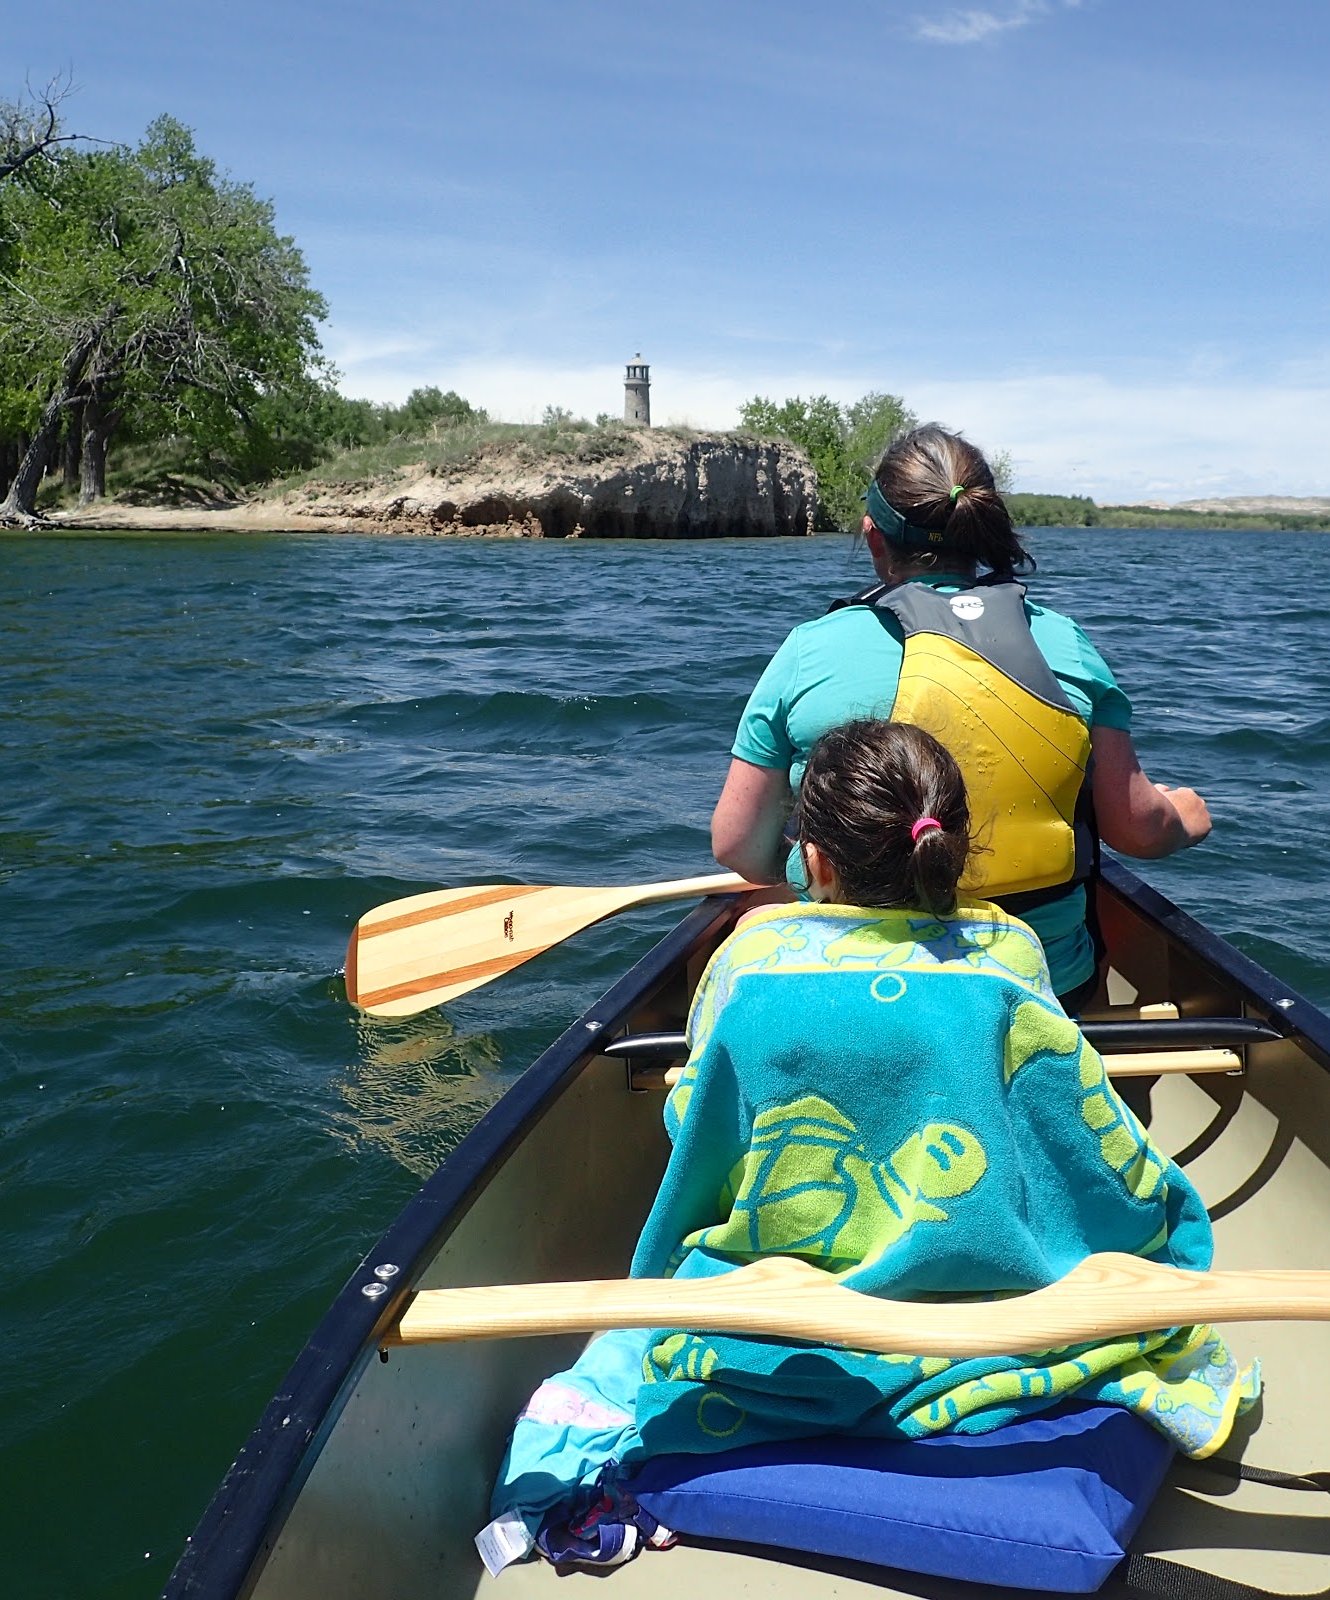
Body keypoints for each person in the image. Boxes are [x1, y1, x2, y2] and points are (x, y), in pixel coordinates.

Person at [483, 721, 1257, 1572]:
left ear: (813, 860)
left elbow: (696, 1127)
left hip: (784, 1314)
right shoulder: (1011, 949)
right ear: (954, 849)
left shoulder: (752, 958)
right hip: (996, 1308)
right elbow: (1055, 1124)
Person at [710, 424, 1210, 1013]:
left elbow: (738, 845)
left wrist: (807, 868)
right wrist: (1185, 815)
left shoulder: (809, 651)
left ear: (874, 539)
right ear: (981, 533)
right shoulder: (1065, 644)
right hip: (1040, 986)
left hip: (856, 982)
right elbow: (1136, 831)